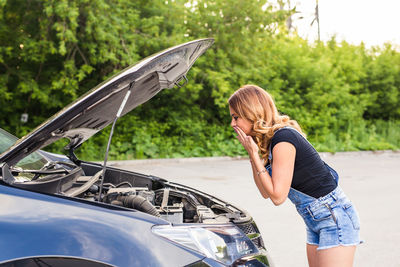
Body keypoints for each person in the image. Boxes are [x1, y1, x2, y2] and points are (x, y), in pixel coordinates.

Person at [228, 85, 362, 267]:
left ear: (252, 112)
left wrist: (254, 155)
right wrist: (253, 156)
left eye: (236, 117)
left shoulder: (283, 139)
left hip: (333, 216)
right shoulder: (270, 142)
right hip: (315, 219)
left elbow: (277, 196)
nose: (233, 124)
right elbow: (265, 191)